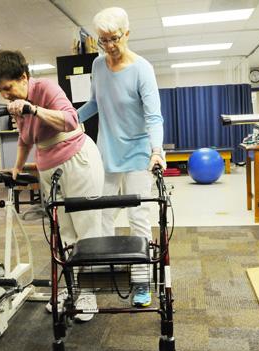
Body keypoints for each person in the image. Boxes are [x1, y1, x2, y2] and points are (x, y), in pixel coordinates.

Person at [0, 50, 103, 321]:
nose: (5, 95)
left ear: (23, 77)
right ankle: (68, 288)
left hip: (77, 159)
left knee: (86, 227)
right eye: (0, 91)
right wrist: (16, 167)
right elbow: (25, 139)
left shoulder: (45, 88)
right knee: (62, 230)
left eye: (8, 88)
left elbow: (71, 119)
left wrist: (33, 108)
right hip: (48, 167)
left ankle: (88, 293)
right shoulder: (19, 100)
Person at [78, 7, 166, 307]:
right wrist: (67, 119)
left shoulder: (142, 68)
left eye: (114, 38)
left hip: (139, 154)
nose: (109, 46)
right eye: (102, 40)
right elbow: (94, 103)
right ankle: (108, 271)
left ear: (126, 34)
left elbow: (154, 117)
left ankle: (141, 280)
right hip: (107, 152)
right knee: (101, 215)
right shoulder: (98, 66)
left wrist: (156, 152)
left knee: (137, 217)